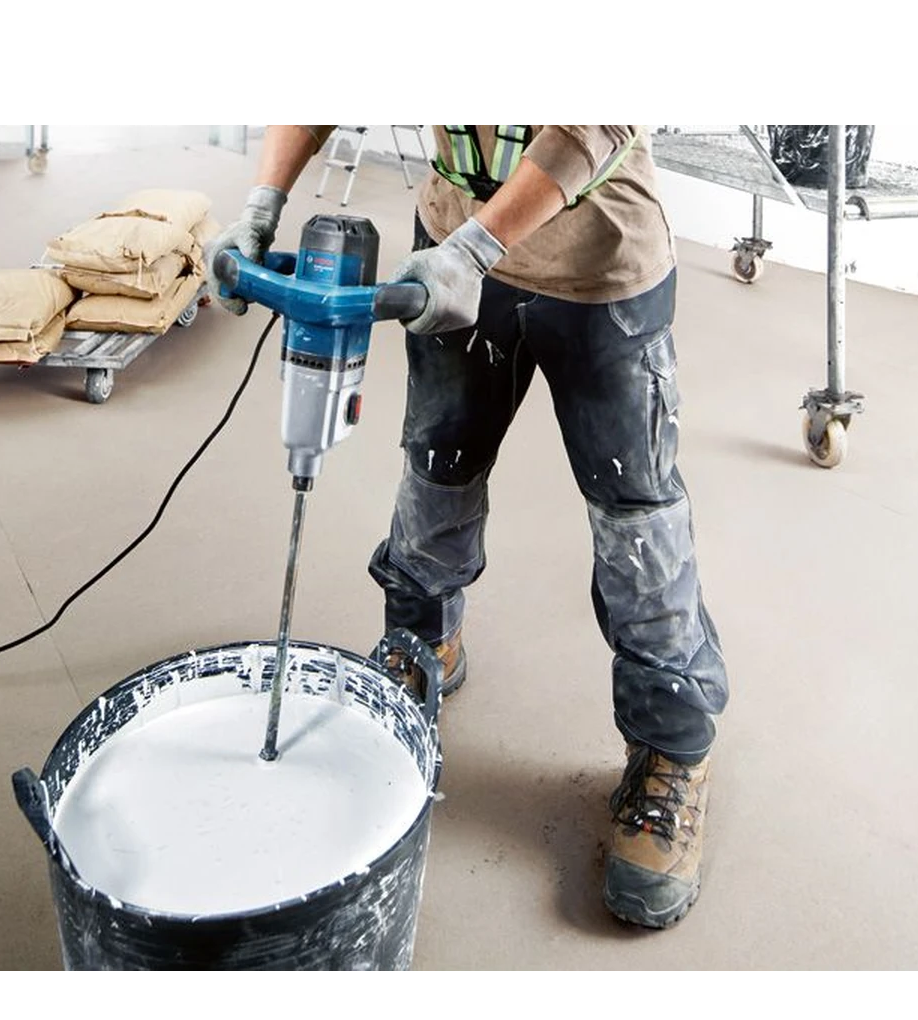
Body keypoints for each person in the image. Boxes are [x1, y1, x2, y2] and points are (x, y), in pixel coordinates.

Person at [208, 124, 729, 930]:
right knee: (437, 466)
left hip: (598, 273)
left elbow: (593, 123)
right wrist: (259, 206)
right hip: (452, 251)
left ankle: (671, 746)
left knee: (635, 519)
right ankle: (423, 646)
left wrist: (476, 248)